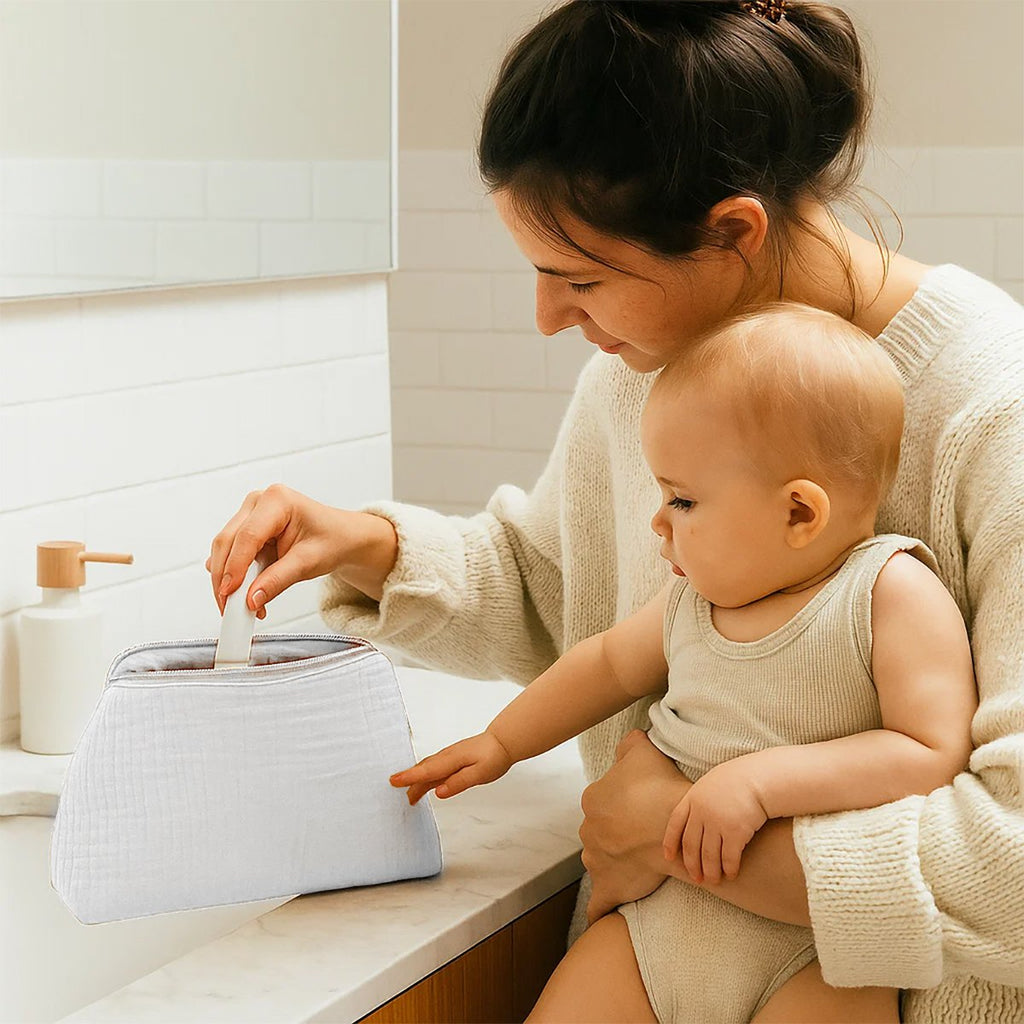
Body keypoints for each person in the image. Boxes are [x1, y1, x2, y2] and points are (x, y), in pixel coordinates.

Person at [207, 2, 1024, 1018]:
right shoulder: (649, 371)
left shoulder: (994, 405)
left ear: (732, 232)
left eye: (580, 278)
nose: (548, 317)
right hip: (654, 959)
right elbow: (565, 593)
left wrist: (679, 832)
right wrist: (369, 546)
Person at [388, 301, 978, 1022]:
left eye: (684, 499)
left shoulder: (889, 590)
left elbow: (931, 752)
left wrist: (759, 783)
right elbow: (605, 666)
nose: (658, 520)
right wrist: (502, 742)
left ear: (799, 513)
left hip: (818, 957)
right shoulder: (689, 600)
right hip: (653, 932)